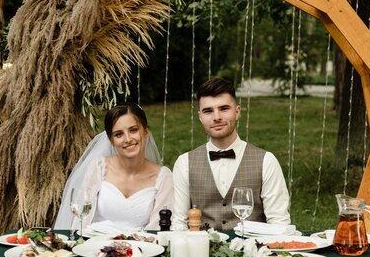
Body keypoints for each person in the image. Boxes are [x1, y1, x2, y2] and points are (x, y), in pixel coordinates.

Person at [172, 77, 290, 231]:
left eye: (224, 108)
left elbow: (279, 223)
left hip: (253, 251)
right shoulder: (184, 163)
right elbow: (179, 223)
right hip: (201, 252)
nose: (217, 117)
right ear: (200, 116)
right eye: (208, 111)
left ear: (237, 111)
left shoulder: (266, 161)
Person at [55, 103, 173, 232]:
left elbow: (158, 230)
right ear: (111, 140)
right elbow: (81, 221)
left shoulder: (163, 177)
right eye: (118, 134)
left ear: (145, 131)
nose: (127, 139)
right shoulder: (99, 168)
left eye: (133, 130)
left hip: (141, 248)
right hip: (94, 247)